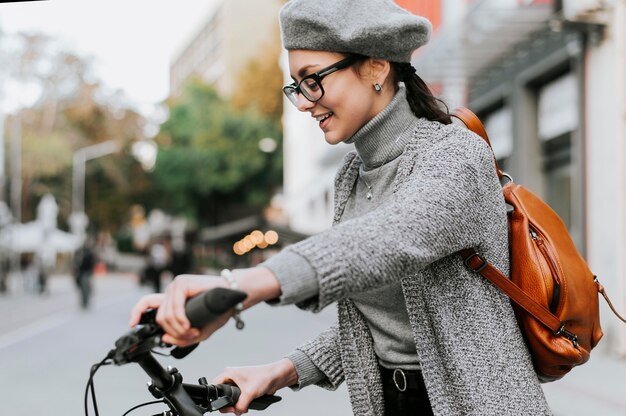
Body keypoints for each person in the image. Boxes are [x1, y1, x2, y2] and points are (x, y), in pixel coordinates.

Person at [130, 1, 552, 415]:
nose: (304, 102)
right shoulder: (351, 174)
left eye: (313, 80)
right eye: (296, 86)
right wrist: (281, 371)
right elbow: (380, 319)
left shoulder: (455, 154)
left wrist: (241, 285)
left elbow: (393, 238)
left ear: (376, 67)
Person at [73, 238, 97, 309]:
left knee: (86, 287)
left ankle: (86, 300)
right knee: (81, 287)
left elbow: (92, 263)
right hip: (81, 272)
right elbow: (76, 263)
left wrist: (91, 271)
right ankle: (83, 300)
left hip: (86, 272)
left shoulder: (89, 253)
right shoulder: (79, 253)